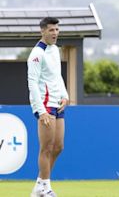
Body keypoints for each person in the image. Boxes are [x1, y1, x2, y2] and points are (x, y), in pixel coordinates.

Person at [28, 17, 69, 197]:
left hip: (57, 103)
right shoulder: (37, 54)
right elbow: (32, 83)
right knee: (46, 147)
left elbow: (57, 76)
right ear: (42, 31)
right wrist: (41, 110)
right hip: (44, 104)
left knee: (59, 146)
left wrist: (65, 95)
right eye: (51, 30)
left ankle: (40, 184)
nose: (55, 33)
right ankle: (45, 188)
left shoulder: (54, 50)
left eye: (57, 29)